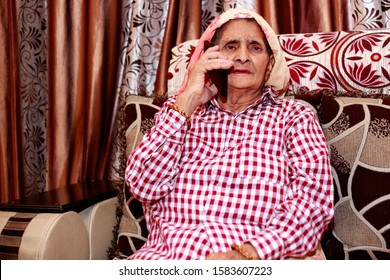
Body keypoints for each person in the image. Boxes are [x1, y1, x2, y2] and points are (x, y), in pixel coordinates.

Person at [125, 8, 334, 260]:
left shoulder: (294, 117)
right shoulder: (179, 113)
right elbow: (143, 187)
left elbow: (312, 205)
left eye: (255, 48)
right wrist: (187, 101)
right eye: (231, 47)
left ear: (269, 67)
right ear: (209, 58)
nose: (242, 57)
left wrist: (247, 254)